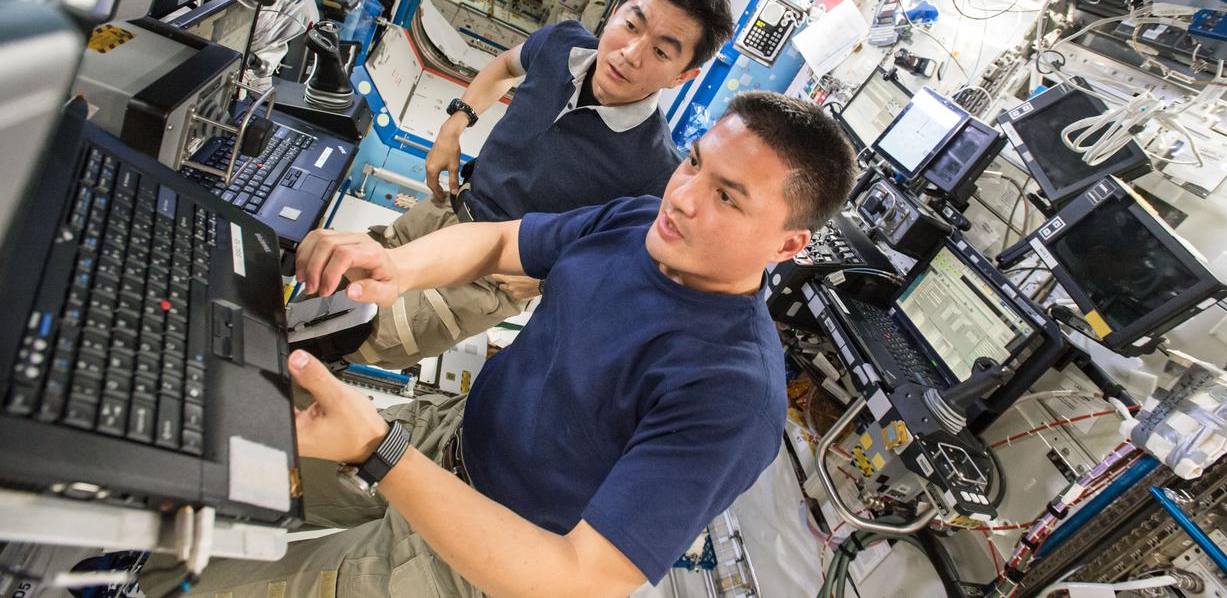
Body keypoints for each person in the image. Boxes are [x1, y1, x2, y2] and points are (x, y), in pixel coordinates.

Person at [141, 91, 856, 597]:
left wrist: (374, 450)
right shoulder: (642, 220)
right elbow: (503, 239)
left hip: (471, 566)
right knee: (201, 488)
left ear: (789, 242)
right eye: (693, 162)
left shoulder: (732, 392)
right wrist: (397, 266)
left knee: (209, 586)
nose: (685, 196)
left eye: (727, 195)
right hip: (437, 444)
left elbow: (577, 578)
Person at [345, 0, 734, 369]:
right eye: (632, 26)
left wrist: (546, 280)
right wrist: (455, 124)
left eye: (660, 51)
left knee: (350, 338)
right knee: (338, 283)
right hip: (444, 211)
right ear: (615, 12)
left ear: (682, 76)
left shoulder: (656, 170)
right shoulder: (560, 43)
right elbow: (505, 67)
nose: (631, 54)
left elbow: (625, 267)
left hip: (484, 280)